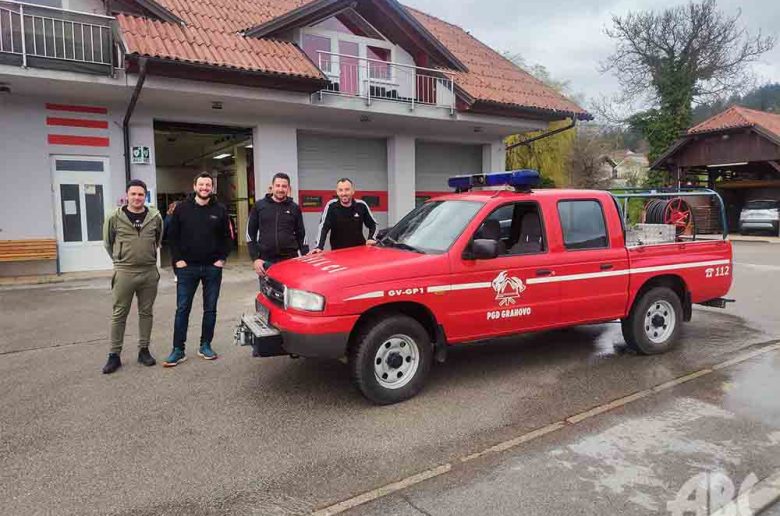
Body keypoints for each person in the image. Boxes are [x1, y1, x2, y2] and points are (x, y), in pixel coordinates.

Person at [163, 172, 232, 367]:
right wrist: (178, 260)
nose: (204, 188)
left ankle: (205, 345)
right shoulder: (182, 209)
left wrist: (221, 259)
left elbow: (227, 237)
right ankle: (178, 349)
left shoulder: (220, 210)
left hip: (212, 269)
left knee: (210, 309)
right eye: (201, 184)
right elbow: (172, 237)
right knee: (183, 309)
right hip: (187, 268)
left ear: (212, 187)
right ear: (194, 186)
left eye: (208, 185)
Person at [102, 179, 163, 374]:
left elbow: (158, 239)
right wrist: (120, 260)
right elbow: (108, 242)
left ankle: (144, 350)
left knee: (146, 312)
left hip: (148, 272)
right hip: (125, 272)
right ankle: (114, 355)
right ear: (126, 196)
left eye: (140, 194)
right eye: (133, 194)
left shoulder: (155, 217)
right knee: (119, 313)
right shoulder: (114, 217)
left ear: (145, 196)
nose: (137, 197)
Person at [246, 173, 308, 277]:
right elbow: (249, 234)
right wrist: (255, 259)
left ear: (288, 188)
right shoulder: (259, 206)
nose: (280, 189)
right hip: (266, 261)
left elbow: (301, 234)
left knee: (289, 287)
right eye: (278, 185)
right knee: (269, 288)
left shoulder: (294, 208)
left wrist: (306, 256)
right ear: (272, 187)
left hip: (290, 260)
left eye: (284, 186)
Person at [310, 178, 378, 253]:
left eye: (347, 189)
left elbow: (373, 224)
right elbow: (323, 227)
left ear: (353, 191)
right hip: (338, 252)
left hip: (359, 251)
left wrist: (371, 238)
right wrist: (319, 247)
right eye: (340, 190)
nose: (344, 193)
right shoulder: (331, 206)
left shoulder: (361, 205)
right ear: (337, 192)